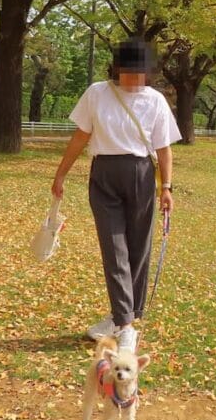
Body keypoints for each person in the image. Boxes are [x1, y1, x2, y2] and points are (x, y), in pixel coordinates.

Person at [51, 37, 181, 353]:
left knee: (138, 249)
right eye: (129, 72)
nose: (135, 79)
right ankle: (125, 327)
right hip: (104, 175)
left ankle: (122, 316)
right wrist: (61, 172)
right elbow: (81, 135)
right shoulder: (97, 93)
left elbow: (163, 148)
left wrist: (166, 187)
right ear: (117, 68)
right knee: (114, 248)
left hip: (141, 174)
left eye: (140, 73)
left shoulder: (156, 101)